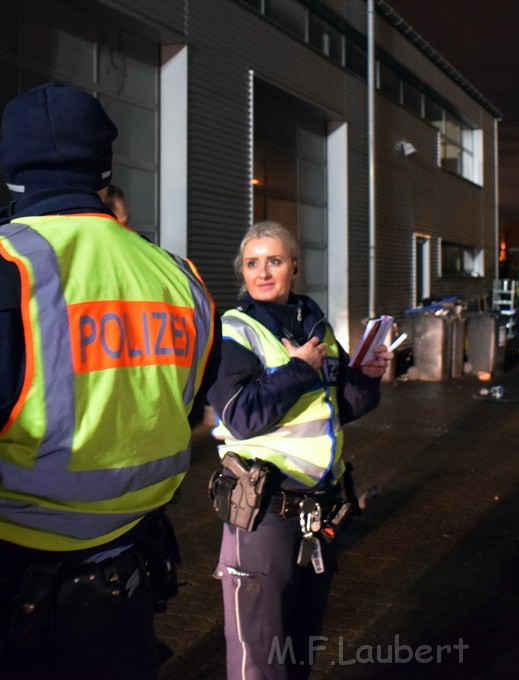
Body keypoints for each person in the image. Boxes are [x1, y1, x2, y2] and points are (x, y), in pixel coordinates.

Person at [0, 82, 219, 680]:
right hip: (127, 599)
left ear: (10, 168)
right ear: (104, 164)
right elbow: (185, 406)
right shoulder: (179, 277)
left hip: (6, 619)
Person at [207, 220, 391, 680]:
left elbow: (340, 408)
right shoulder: (234, 330)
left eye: (274, 261)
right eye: (252, 263)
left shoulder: (314, 324)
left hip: (319, 513)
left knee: (300, 648)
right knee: (259, 659)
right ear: (242, 273)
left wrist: (365, 376)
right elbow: (241, 414)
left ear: (295, 268)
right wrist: (299, 370)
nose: (263, 272)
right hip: (265, 510)